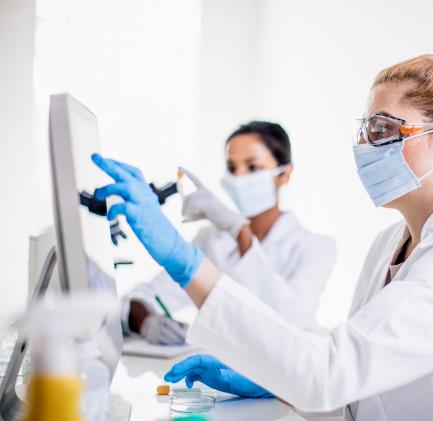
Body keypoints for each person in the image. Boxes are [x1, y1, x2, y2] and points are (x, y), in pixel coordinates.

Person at [93, 40, 433, 420]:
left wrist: (184, 261)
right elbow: (358, 389)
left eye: (383, 130)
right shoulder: (390, 244)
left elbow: (330, 373)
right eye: (364, 130)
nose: (363, 148)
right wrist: (273, 380)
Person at [122, 121, 336, 345]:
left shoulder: (316, 247)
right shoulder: (212, 240)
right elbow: (142, 298)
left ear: (284, 173)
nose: (239, 178)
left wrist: (241, 233)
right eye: (232, 168)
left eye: (252, 167)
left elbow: (289, 323)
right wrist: (147, 322)